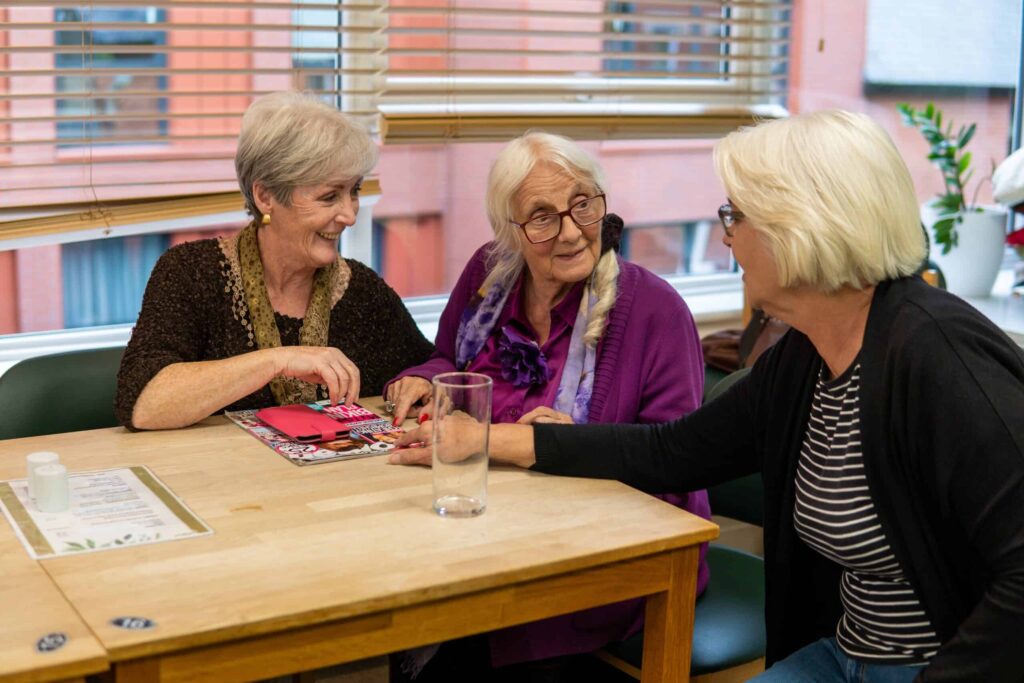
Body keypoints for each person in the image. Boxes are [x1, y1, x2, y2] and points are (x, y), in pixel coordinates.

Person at [393, 111, 1024, 682]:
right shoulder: (806, 356)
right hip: (843, 655)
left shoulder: (938, 354)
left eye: (737, 217)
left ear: (800, 229)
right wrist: (484, 440)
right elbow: (671, 451)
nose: (727, 238)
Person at [385, 131, 711, 675]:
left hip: (603, 556)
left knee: (458, 647)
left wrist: (557, 446)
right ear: (509, 231)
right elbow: (450, 358)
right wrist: (425, 378)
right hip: (486, 531)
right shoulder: (489, 276)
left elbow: (673, 466)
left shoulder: (656, 311)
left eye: (582, 204)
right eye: (541, 216)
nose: (569, 231)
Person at [115, 92, 433, 430]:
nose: (350, 214)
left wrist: (425, 381)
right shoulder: (190, 272)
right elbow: (143, 404)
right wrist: (277, 360)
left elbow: (434, 370)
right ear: (265, 196)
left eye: (353, 191)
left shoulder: (364, 292)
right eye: (329, 196)